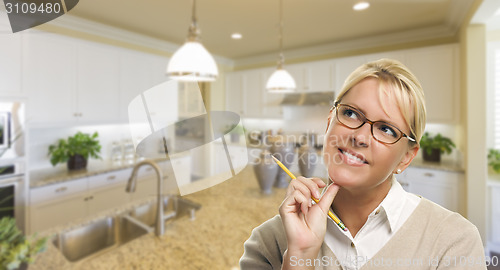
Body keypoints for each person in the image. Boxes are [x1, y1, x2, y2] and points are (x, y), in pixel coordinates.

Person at [240, 59, 486, 270]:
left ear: (406, 157)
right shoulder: (268, 243)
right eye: (350, 114)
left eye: (386, 129)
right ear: (329, 123)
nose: (359, 136)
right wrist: (300, 258)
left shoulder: (454, 242)